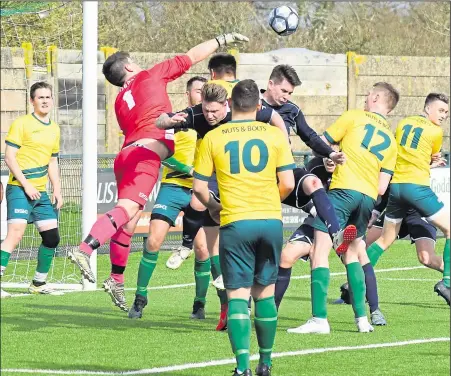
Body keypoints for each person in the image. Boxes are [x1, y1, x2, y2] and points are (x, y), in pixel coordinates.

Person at [66, 32, 249, 307]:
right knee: (127, 211)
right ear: (129, 67)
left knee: (127, 222)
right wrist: (221, 40)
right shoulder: (150, 76)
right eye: (135, 62)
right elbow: (192, 56)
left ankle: (116, 278)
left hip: (126, 155)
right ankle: (85, 248)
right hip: (146, 156)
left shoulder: (119, 101)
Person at [156, 81, 288, 330]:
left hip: (235, 182)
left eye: (214, 111)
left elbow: (273, 115)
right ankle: (194, 255)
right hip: (215, 176)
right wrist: (169, 121)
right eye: (206, 110)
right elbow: (160, 121)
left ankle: (232, 294)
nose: (210, 115)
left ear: (227, 104)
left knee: (213, 228)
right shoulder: (195, 114)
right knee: (205, 225)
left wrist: (285, 140)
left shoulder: (245, 112)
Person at [193, 79, 295, 376]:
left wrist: (214, 206)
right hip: (270, 221)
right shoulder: (275, 135)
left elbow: (199, 189)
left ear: (230, 105)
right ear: (259, 107)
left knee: (238, 294)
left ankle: (242, 368)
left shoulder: (214, 137)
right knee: (265, 291)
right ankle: (266, 362)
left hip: (235, 221)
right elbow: (287, 183)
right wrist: (267, 202)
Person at [288, 82, 399, 334]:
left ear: (376, 97)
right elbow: (383, 188)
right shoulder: (392, 142)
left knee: (320, 251)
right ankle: (362, 319)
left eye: (369, 94)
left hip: (342, 193)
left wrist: (331, 157)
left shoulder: (354, 117)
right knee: (352, 253)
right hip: (366, 199)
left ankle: (319, 319)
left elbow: (321, 144)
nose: (365, 98)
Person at [126, 76, 207, 316]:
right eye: (198, 91)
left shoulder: (212, 122)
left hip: (200, 192)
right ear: (188, 94)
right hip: (172, 187)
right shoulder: (176, 121)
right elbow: (162, 155)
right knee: (153, 241)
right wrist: (186, 168)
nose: (201, 96)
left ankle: (199, 303)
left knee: (203, 249)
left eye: (205, 92)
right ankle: (140, 297)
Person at [275, 155, 387, 326]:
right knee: (286, 256)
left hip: (344, 223)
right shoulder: (314, 167)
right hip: (317, 221)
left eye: (335, 154)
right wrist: (313, 209)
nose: (329, 159)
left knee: (358, 255)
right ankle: (271, 312)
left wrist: (374, 213)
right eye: (327, 154)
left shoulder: (351, 171)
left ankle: (374, 310)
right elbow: (303, 193)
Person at [260, 65, 356, 254]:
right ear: (270, 84)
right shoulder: (251, 104)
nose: (286, 96)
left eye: (290, 92)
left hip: (283, 172)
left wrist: (331, 153)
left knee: (313, 182)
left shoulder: (291, 110)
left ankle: (336, 236)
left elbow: (310, 136)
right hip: (257, 176)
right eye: (284, 90)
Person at [365, 93, 450, 305]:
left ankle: (356, 281)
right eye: (440, 111)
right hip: (416, 188)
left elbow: (402, 154)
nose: (443, 116)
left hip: (397, 188)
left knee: (385, 240)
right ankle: (447, 282)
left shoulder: (403, 123)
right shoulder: (435, 132)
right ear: (427, 108)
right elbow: (432, 155)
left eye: (446, 113)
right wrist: (434, 160)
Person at [1, 82, 63, 297]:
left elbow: (52, 161)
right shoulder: (22, 124)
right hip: (20, 188)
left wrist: (57, 189)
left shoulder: (55, 128)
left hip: (41, 194)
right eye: (40, 97)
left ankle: (38, 283)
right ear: (32, 101)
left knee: (52, 238)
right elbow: (9, 157)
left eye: (48, 97)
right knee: (15, 235)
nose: (45, 101)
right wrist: (26, 185)